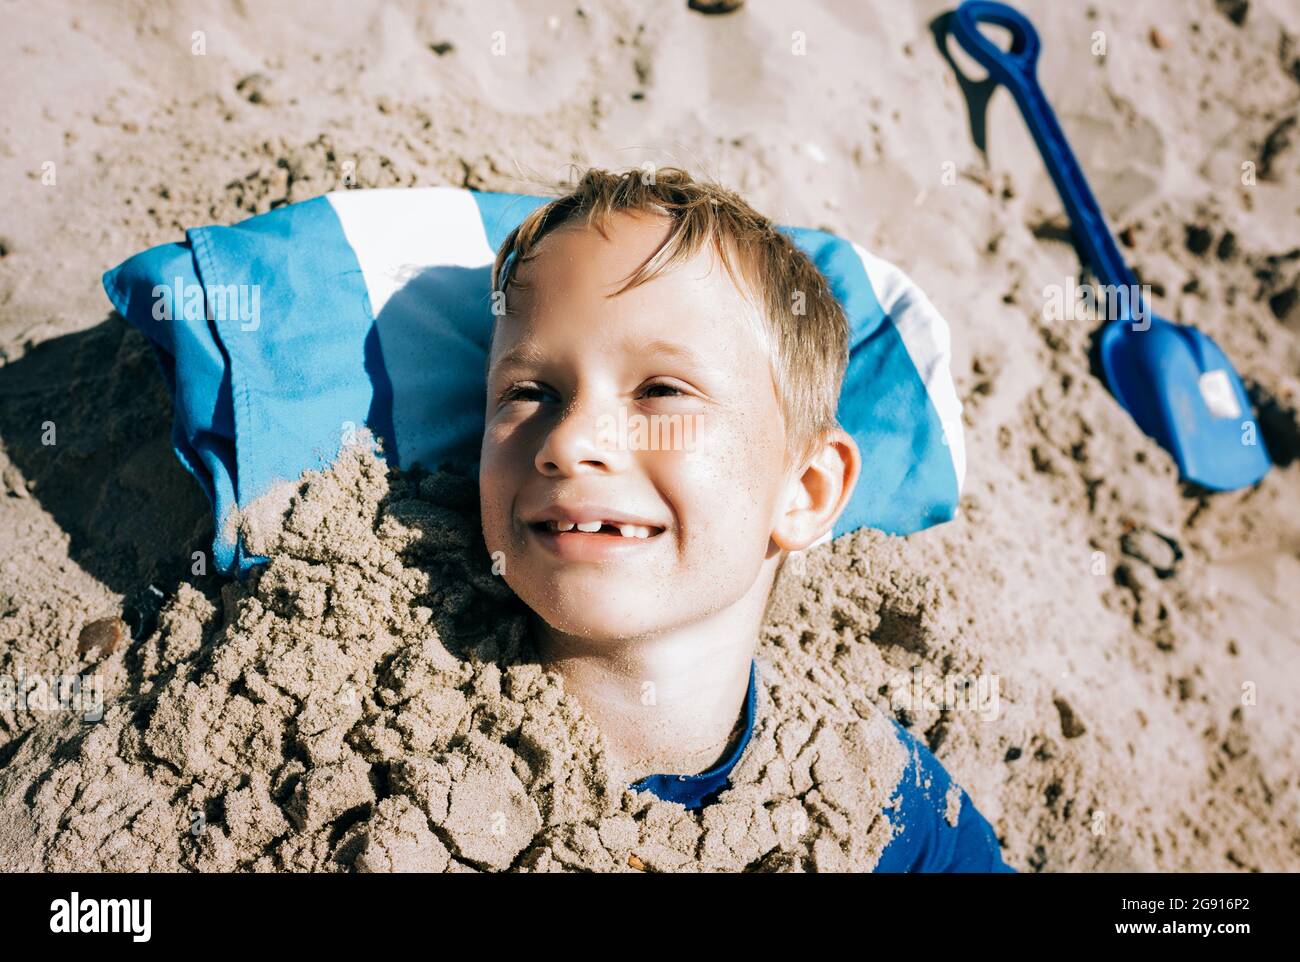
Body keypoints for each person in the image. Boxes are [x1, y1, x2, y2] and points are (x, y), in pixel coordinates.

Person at [478, 166, 1014, 872]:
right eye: (531, 391)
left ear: (805, 490)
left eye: (662, 390)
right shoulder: (351, 751)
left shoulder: (889, 809)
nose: (570, 441)